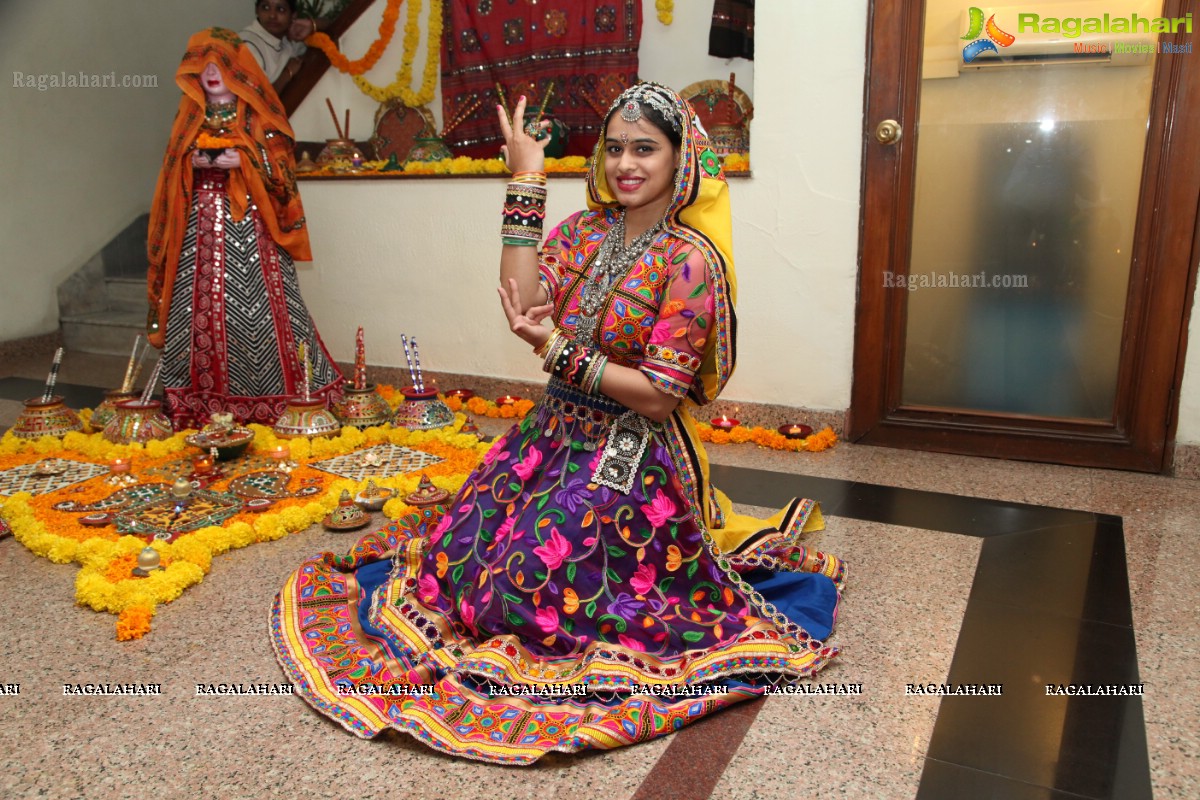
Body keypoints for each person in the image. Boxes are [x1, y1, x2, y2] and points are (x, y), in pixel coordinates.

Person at [271, 83, 845, 764]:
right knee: (460, 552)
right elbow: (521, 294)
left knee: (529, 578)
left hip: (630, 450)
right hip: (551, 432)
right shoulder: (583, 233)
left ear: (681, 159)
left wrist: (556, 351)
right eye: (616, 148)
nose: (626, 164)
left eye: (646, 149)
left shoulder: (690, 260)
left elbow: (660, 397)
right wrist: (527, 178)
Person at [147, 28, 342, 429]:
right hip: (197, 229)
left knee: (259, 309)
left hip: (250, 226)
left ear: (237, 67)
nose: (212, 73)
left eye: (220, 64)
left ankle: (280, 397)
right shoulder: (189, 113)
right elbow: (172, 165)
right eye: (204, 65)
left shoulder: (256, 111)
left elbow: (282, 166)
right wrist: (194, 163)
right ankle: (196, 399)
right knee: (194, 306)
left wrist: (244, 162)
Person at [239, 0, 318, 94]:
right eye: (266, 8)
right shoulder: (248, 45)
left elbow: (332, 31)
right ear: (257, 10)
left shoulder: (285, 38)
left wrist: (312, 25)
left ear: (293, 15)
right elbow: (258, 100)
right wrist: (287, 73)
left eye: (280, 9)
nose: (272, 15)